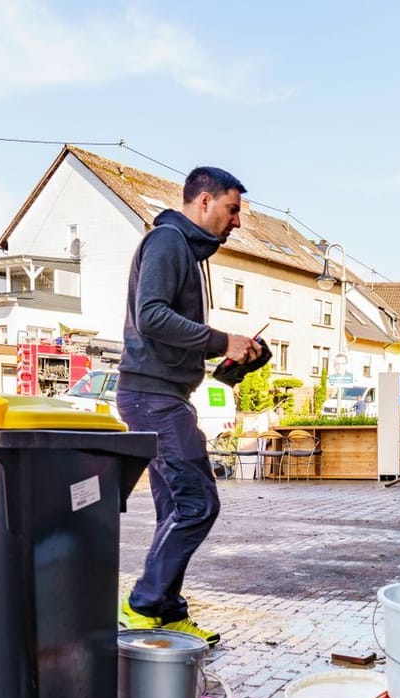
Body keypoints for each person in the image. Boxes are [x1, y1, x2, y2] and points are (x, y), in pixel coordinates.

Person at [115, 166, 261, 646]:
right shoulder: (167, 242)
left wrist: (235, 354)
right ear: (204, 201)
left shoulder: (188, 251)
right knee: (198, 503)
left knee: (175, 508)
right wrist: (222, 339)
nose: (237, 221)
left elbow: (170, 326)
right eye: (232, 209)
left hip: (167, 394)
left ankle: (166, 608)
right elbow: (151, 315)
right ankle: (140, 605)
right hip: (151, 396)